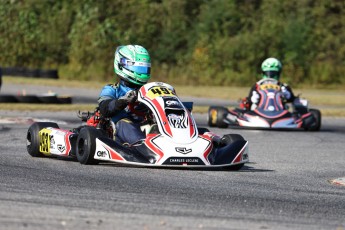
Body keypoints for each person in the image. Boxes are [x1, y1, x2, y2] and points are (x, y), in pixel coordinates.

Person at [98, 45, 151, 145]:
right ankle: (143, 146)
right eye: (138, 67)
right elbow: (105, 108)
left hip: (145, 126)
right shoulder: (112, 89)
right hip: (119, 130)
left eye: (144, 68)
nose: (142, 72)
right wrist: (123, 101)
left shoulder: (149, 91)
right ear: (122, 65)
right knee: (124, 123)